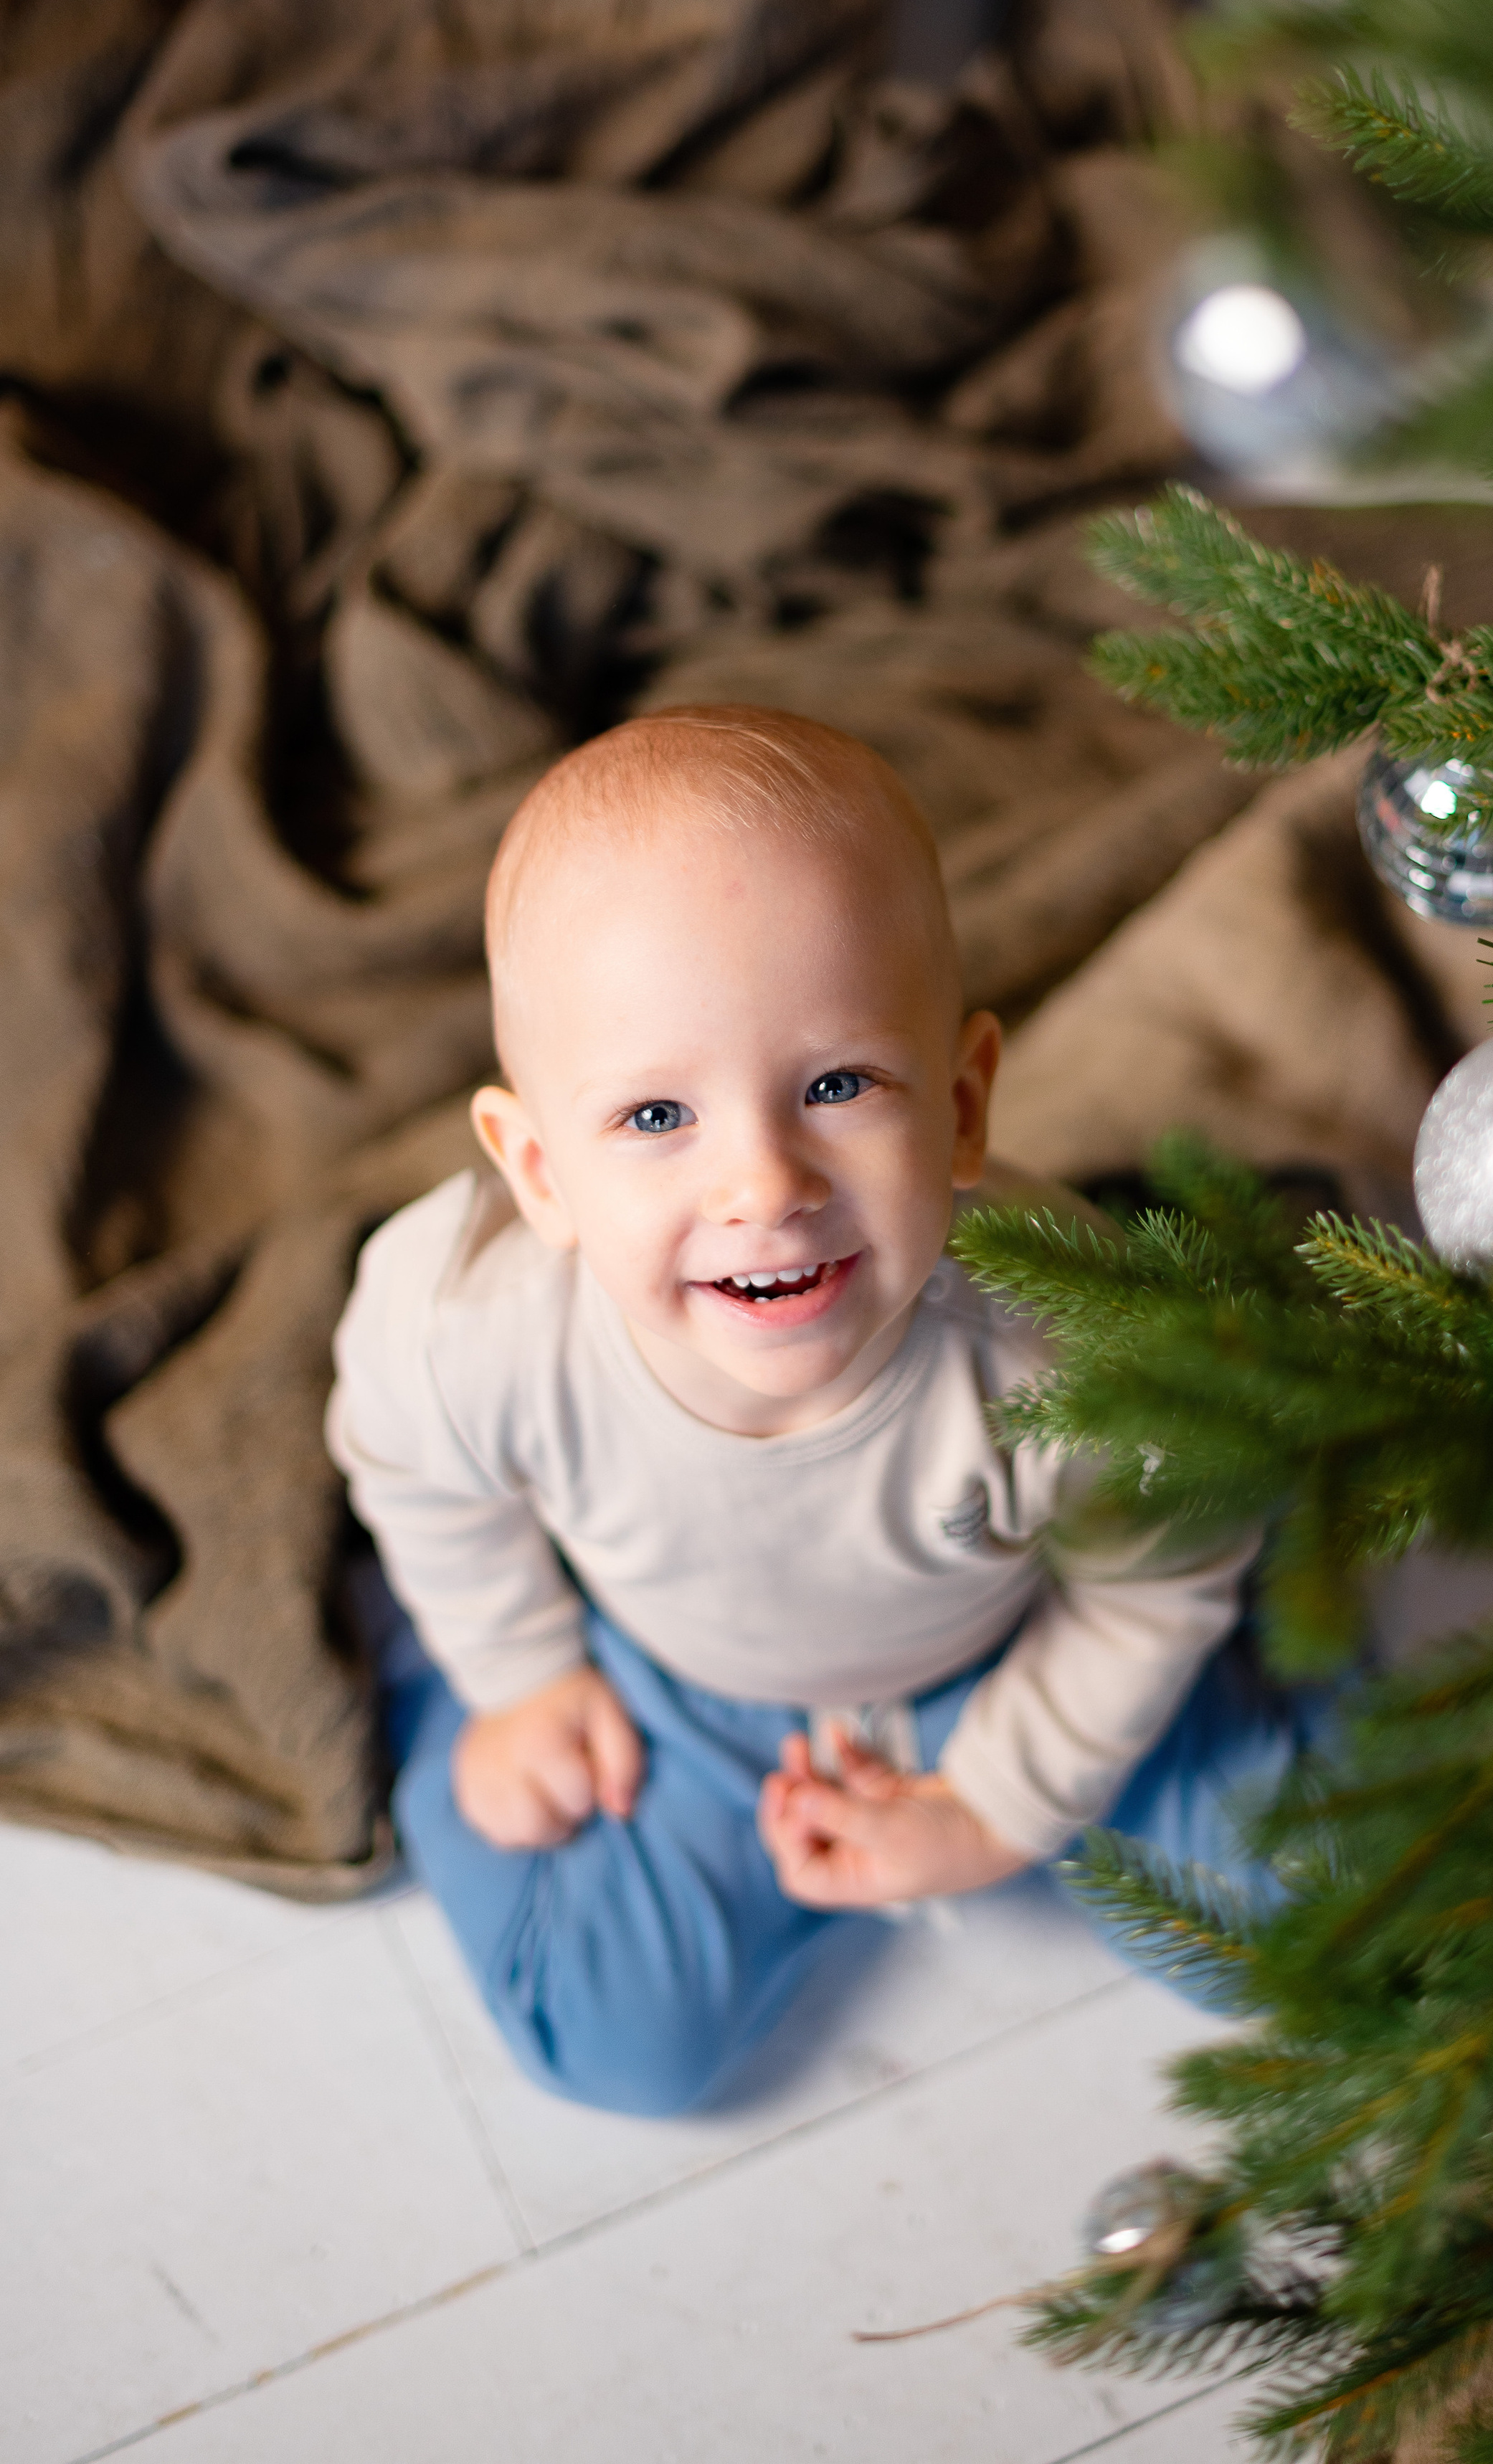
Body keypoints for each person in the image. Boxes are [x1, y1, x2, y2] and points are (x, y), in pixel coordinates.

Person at [328, 703, 1311, 2118]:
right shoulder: (464, 1331)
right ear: (536, 1169)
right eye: (656, 1118)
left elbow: (1150, 1586)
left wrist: (994, 1803)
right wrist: (516, 1673)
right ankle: (429, 1716)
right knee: (618, 2042)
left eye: (837, 1085)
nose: (764, 1187)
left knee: (1306, 1920)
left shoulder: (1067, 1349)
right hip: (681, 1693)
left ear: (963, 1105)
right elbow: (414, 1469)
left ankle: (1282, 1674)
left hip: (1002, 1652)